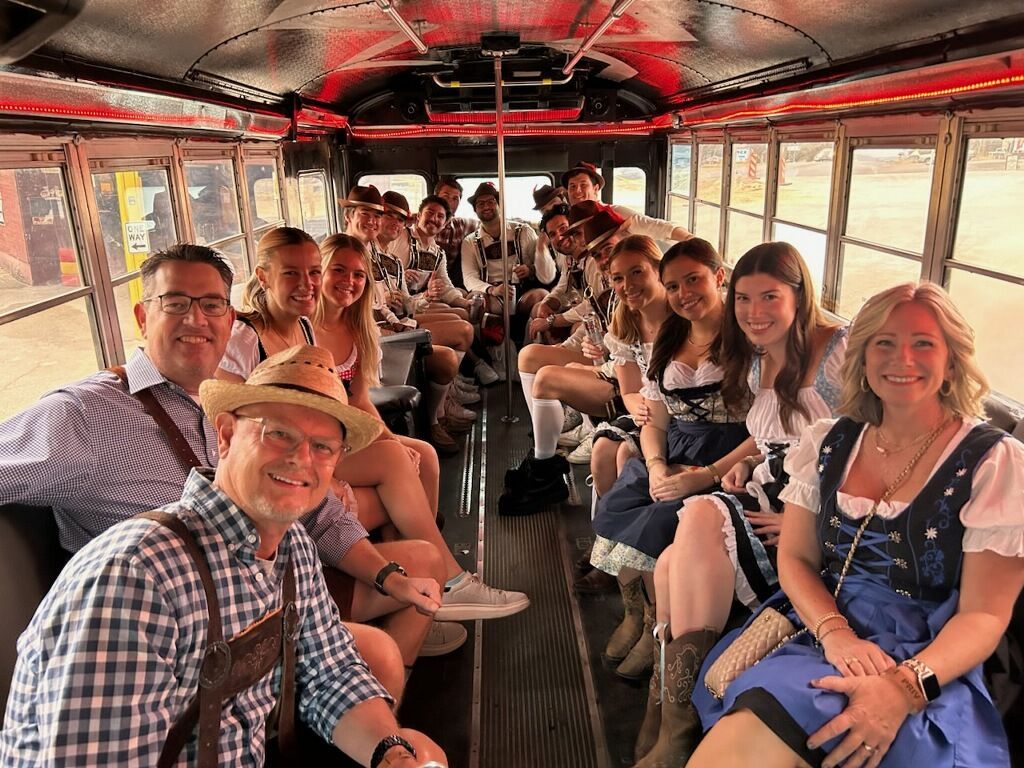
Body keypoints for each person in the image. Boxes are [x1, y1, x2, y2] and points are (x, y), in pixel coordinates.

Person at [0, 344, 447, 766]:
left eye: (323, 447)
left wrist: (390, 751)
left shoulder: (291, 548)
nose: (301, 459)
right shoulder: (134, 579)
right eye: (279, 434)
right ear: (228, 435)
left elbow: (331, 673)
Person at [689, 281, 1024, 767]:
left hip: (933, 649)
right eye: (883, 343)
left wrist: (904, 688)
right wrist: (835, 633)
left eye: (923, 343)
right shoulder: (829, 440)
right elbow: (798, 558)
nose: (901, 359)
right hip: (825, 623)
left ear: (952, 360)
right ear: (862, 357)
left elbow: (984, 616)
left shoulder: (993, 462)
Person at [633, 242, 847, 767]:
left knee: (701, 513)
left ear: (800, 295)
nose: (754, 313)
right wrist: (745, 465)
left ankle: (674, 725)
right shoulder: (757, 363)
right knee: (665, 567)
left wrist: (809, 522)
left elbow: (863, 455)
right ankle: (671, 713)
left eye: (770, 297)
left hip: (815, 512)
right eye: (745, 299)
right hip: (769, 488)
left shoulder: (839, 354)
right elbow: (769, 439)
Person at [315, 233, 531, 623]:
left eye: (359, 275)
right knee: (395, 460)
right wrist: (387, 449)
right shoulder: (303, 329)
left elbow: (360, 401)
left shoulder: (355, 329)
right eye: (339, 270)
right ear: (319, 273)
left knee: (424, 454)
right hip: (319, 443)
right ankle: (449, 580)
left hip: (344, 437)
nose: (349, 281)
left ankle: (418, 599)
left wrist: (391, 439)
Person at [584, 239, 752, 680]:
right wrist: (656, 465)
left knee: (663, 516)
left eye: (693, 279)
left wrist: (706, 475)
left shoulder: (747, 339)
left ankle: (662, 630)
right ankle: (638, 617)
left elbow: (769, 432)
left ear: (718, 276)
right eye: (674, 285)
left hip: (730, 453)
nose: (683, 294)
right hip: (675, 444)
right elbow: (655, 420)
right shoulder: (670, 338)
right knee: (626, 495)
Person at [498, 234, 666, 516]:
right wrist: (589, 354)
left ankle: (546, 463)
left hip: (636, 391)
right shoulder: (621, 309)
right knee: (532, 358)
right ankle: (545, 452)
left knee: (548, 378)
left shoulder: (671, 315)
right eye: (618, 277)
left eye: (637, 272)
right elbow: (607, 343)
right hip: (622, 378)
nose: (627, 284)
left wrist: (592, 362)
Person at [340, 185, 474, 449]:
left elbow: (405, 304)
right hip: (373, 335)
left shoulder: (386, 259)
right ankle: (435, 419)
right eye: (368, 214)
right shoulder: (346, 254)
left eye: (380, 216)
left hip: (392, 326)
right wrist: (398, 314)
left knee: (460, 320)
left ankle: (442, 407)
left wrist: (409, 305)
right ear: (348, 216)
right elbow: (357, 308)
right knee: (449, 352)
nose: (376, 222)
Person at [460, 182, 553, 369]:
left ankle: (531, 350)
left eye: (491, 201)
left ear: (499, 205)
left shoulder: (523, 231)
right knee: (476, 301)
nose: (486, 206)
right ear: (475, 210)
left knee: (543, 297)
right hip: (491, 292)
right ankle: (497, 356)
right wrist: (492, 289)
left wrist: (529, 269)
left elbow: (540, 267)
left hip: (521, 291)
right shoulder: (470, 242)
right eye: (480, 204)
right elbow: (469, 278)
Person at [562, 161, 691, 242]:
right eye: (572, 186)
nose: (577, 191)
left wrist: (688, 239)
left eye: (583, 185)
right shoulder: (568, 222)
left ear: (595, 189)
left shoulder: (615, 213)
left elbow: (655, 226)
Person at [432, 176, 478, 292]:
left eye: (455, 199)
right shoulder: (423, 224)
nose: (449, 202)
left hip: (446, 283)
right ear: (435, 197)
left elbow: (488, 224)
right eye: (445, 197)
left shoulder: (460, 225)